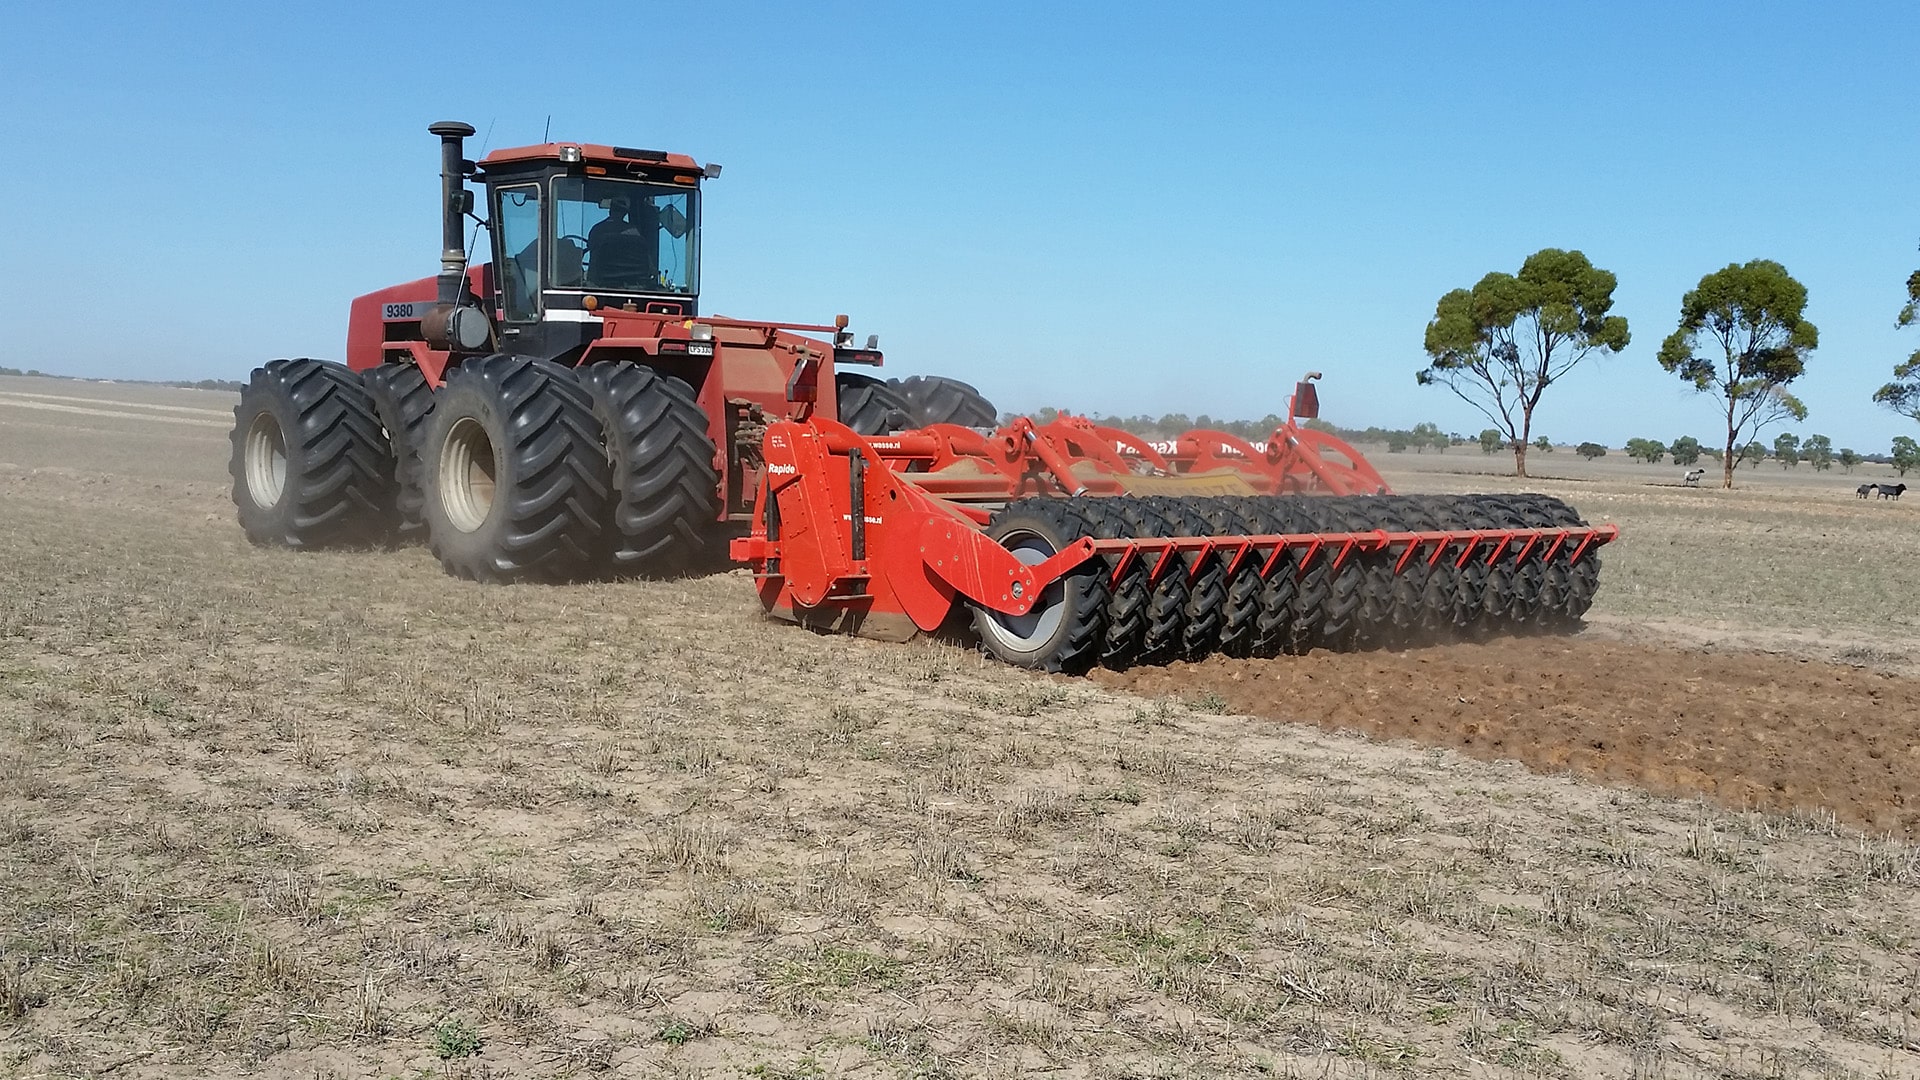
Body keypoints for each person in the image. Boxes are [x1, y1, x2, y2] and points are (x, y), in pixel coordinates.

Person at [586, 197, 652, 288]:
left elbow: (593, 254)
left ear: (610, 210)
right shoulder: (635, 233)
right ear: (625, 213)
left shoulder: (597, 230)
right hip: (634, 287)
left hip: (600, 286)